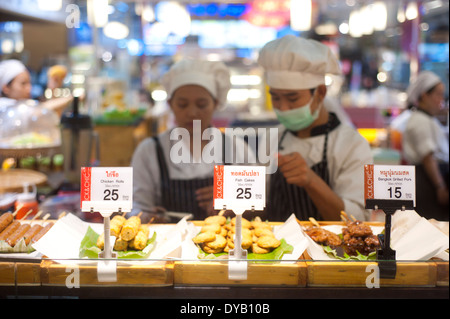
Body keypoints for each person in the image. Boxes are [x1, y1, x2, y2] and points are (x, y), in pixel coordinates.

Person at [257, 35, 373, 221]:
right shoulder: (273, 138)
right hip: (277, 248)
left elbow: (358, 219)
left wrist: (311, 182)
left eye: (293, 98)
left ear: (320, 93)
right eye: (276, 98)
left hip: (329, 250)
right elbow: (261, 205)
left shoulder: (352, 145)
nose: (283, 108)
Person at [131, 59, 255, 222]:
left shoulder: (236, 148)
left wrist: (235, 202)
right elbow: (137, 207)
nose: (192, 113)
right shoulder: (150, 150)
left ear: (215, 104)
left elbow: (260, 207)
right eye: (182, 105)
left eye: (202, 105)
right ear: (170, 105)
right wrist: (147, 216)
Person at [402, 71, 448, 220]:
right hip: (426, 182)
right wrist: (440, 186)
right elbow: (428, 157)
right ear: (424, 96)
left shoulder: (428, 119)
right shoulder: (419, 121)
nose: (441, 99)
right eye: (438, 94)